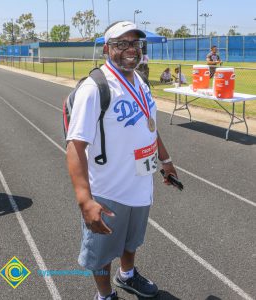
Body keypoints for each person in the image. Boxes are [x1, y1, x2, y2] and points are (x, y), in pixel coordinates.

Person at [66, 20, 177, 300]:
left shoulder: (139, 80)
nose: (131, 49)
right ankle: (104, 295)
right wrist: (85, 200)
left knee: (132, 239)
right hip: (108, 190)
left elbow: (149, 124)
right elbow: (75, 146)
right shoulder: (95, 88)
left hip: (140, 183)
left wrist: (165, 160)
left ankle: (127, 275)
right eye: (121, 43)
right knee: (101, 251)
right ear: (107, 49)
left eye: (135, 43)